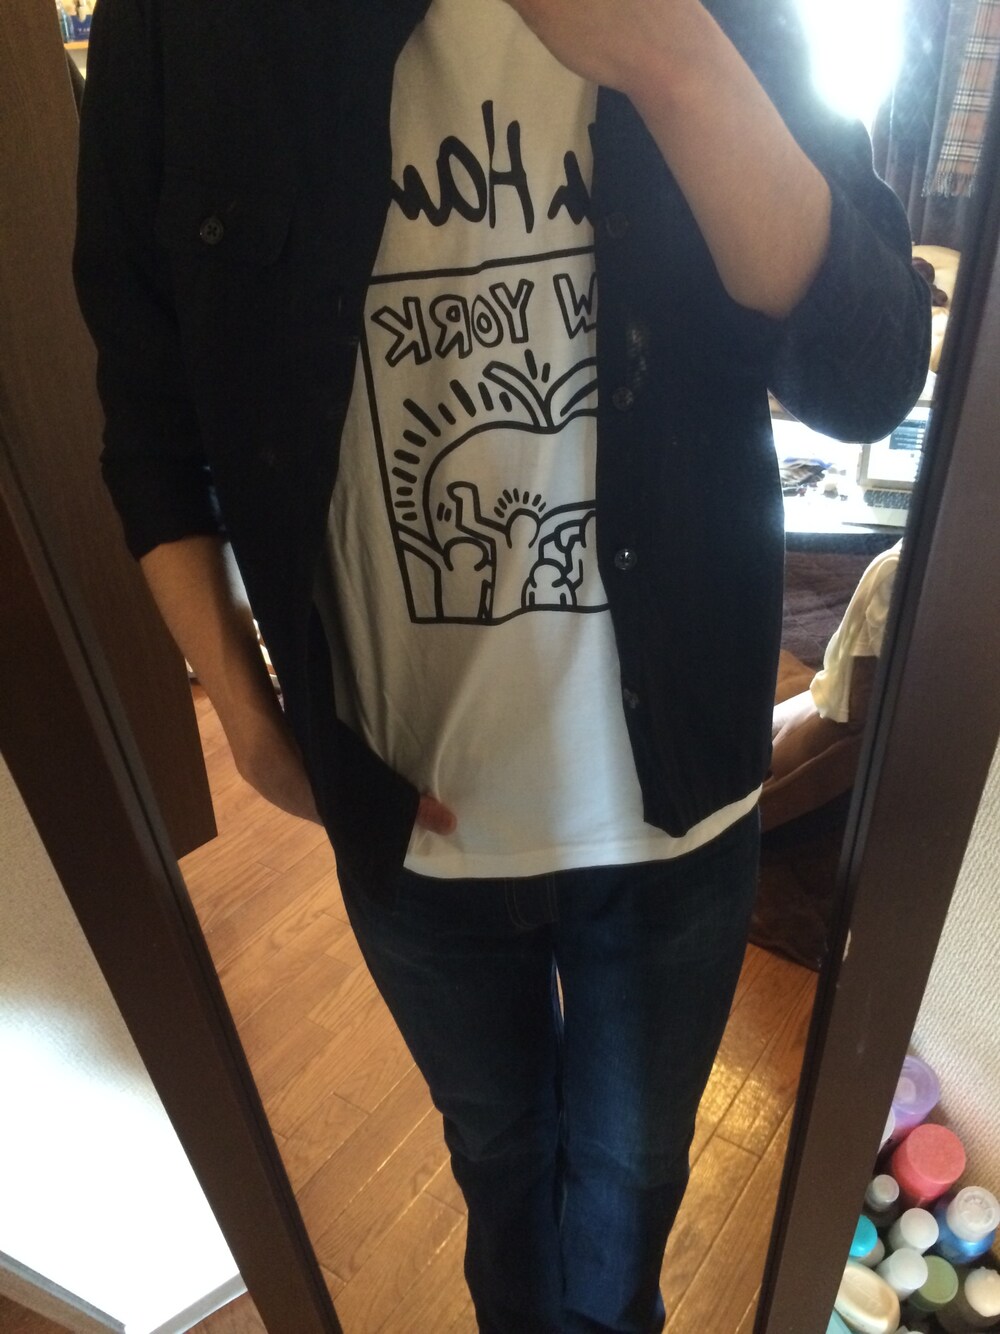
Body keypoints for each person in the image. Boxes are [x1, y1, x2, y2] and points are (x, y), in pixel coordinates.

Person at [74, 0, 930, 1329]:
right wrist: (243, 715)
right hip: (402, 804)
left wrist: (672, 59)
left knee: (633, 1182)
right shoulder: (185, 26)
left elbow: (869, 370)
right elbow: (147, 413)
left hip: (676, 797)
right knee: (498, 1161)